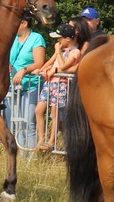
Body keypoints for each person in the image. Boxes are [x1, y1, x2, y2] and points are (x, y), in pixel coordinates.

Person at [32, 18, 88, 151]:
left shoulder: (75, 52)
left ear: (67, 39)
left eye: (59, 38)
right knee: (39, 110)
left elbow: (63, 66)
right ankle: (41, 140)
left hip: (61, 84)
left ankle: (51, 141)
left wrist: (58, 53)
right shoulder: (61, 50)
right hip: (50, 83)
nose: (58, 41)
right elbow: (51, 61)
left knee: (55, 112)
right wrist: (41, 70)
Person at [7, 15, 46, 149]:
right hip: (13, 85)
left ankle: (29, 154)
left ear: (24, 23)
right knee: (15, 123)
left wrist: (23, 71)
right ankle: (18, 153)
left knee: (28, 122)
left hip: (30, 85)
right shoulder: (12, 38)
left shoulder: (36, 38)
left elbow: (39, 63)